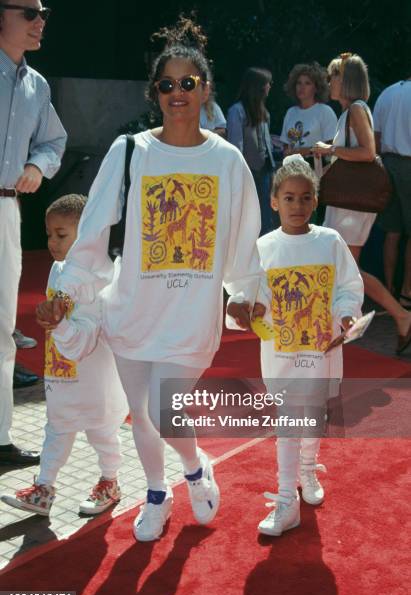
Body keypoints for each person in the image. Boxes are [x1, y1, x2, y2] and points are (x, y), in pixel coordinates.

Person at [39, 16, 262, 541]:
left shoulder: (227, 161)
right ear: (154, 92)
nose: (178, 92)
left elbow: (243, 241)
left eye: (189, 83)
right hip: (133, 307)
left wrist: (247, 295)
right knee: (140, 414)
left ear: (206, 89)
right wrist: (65, 295)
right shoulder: (130, 151)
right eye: (167, 84)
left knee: (166, 412)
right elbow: (93, 233)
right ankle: (158, 493)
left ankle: (193, 464)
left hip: (190, 317)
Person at [240, 155, 363, 536]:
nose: (297, 205)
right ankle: (285, 498)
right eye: (288, 198)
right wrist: (247, 309)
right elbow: (248, 297)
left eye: (305, 197)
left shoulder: (329, 241)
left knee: (312, 417)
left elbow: (348, 286)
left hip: (320, 351)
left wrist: (346, 315)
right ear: (274, 200)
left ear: (316, 201)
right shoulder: (261, 248)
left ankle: (308, 469)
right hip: (281, 354)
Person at [1, 194, 128, 516]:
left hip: (94, 377)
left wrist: (58, 326)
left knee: (102, 433)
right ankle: (43, 488)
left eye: (61, 235)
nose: (52, 242)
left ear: (87, 235)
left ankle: (109, 482)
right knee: (56, 429)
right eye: (49, 234)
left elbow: (86, 335)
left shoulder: (102, 278)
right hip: (60, 373)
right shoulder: (58, 270)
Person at [0, 0, 67, 466]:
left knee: (3, 327)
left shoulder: (38, 86)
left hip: (7, 208)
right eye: (29, 11)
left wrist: (36, 166)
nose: (39, 19)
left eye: (43, 11)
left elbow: (54, 141)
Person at [313, 53, 411, 354]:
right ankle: (356, 322)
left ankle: (398, 315)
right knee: (341, 267)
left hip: (352, 205)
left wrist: (329, 149)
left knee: (345, 268)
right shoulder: (349, 111)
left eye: (334, 76)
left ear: (347, 80)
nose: (330, 82)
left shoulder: (356, 109)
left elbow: (368, 152)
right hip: (346, 203)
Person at [373, 77, 411, 307]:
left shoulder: (387, 91)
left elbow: (375, 138)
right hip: (409, 164)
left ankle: (388, 290)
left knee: (392, 231)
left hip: (386, 164)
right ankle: (407, 292)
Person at [227, 67, 275, 235]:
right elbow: (236, 146)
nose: (269, 87)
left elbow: (266, 144)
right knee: (249, 220)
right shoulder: (237, 111)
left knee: (267, 219)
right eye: (267, 83)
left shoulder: (264, 112)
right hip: (248, 173)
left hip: (266, 172)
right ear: (258, 87)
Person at [281, 62, 337, 162]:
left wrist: (304, 151)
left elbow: (332, 148)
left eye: (307, 83)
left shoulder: (325, 112)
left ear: (316, 88)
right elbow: (285, 145)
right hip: (292, 168)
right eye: (299, 83)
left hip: (317, 169)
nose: (302, 87)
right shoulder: (290, 112)